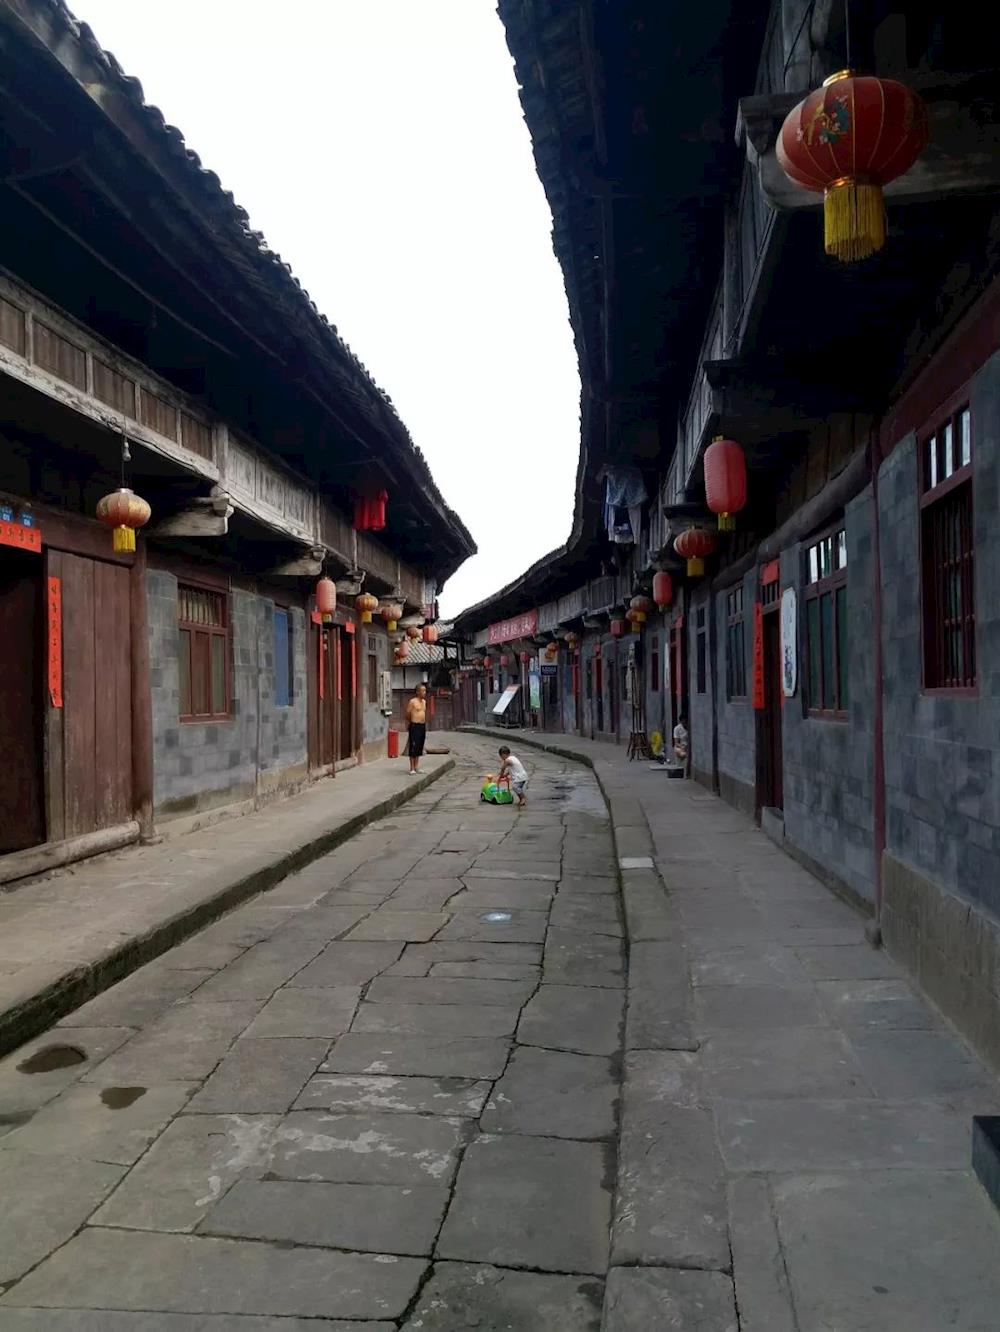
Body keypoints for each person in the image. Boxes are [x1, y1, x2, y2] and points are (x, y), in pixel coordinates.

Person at [405, 683, 428, 774]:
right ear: (418, 692)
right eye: (423, 691)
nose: (424, 692)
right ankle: (412, 768)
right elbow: (407, 714)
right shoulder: (412, 702)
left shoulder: (424, 702)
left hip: (422, 725)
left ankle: (416, 767)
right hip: (414, 725)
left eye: (425, 691)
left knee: (419, 746)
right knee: (413, 746)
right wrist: (411, 722)